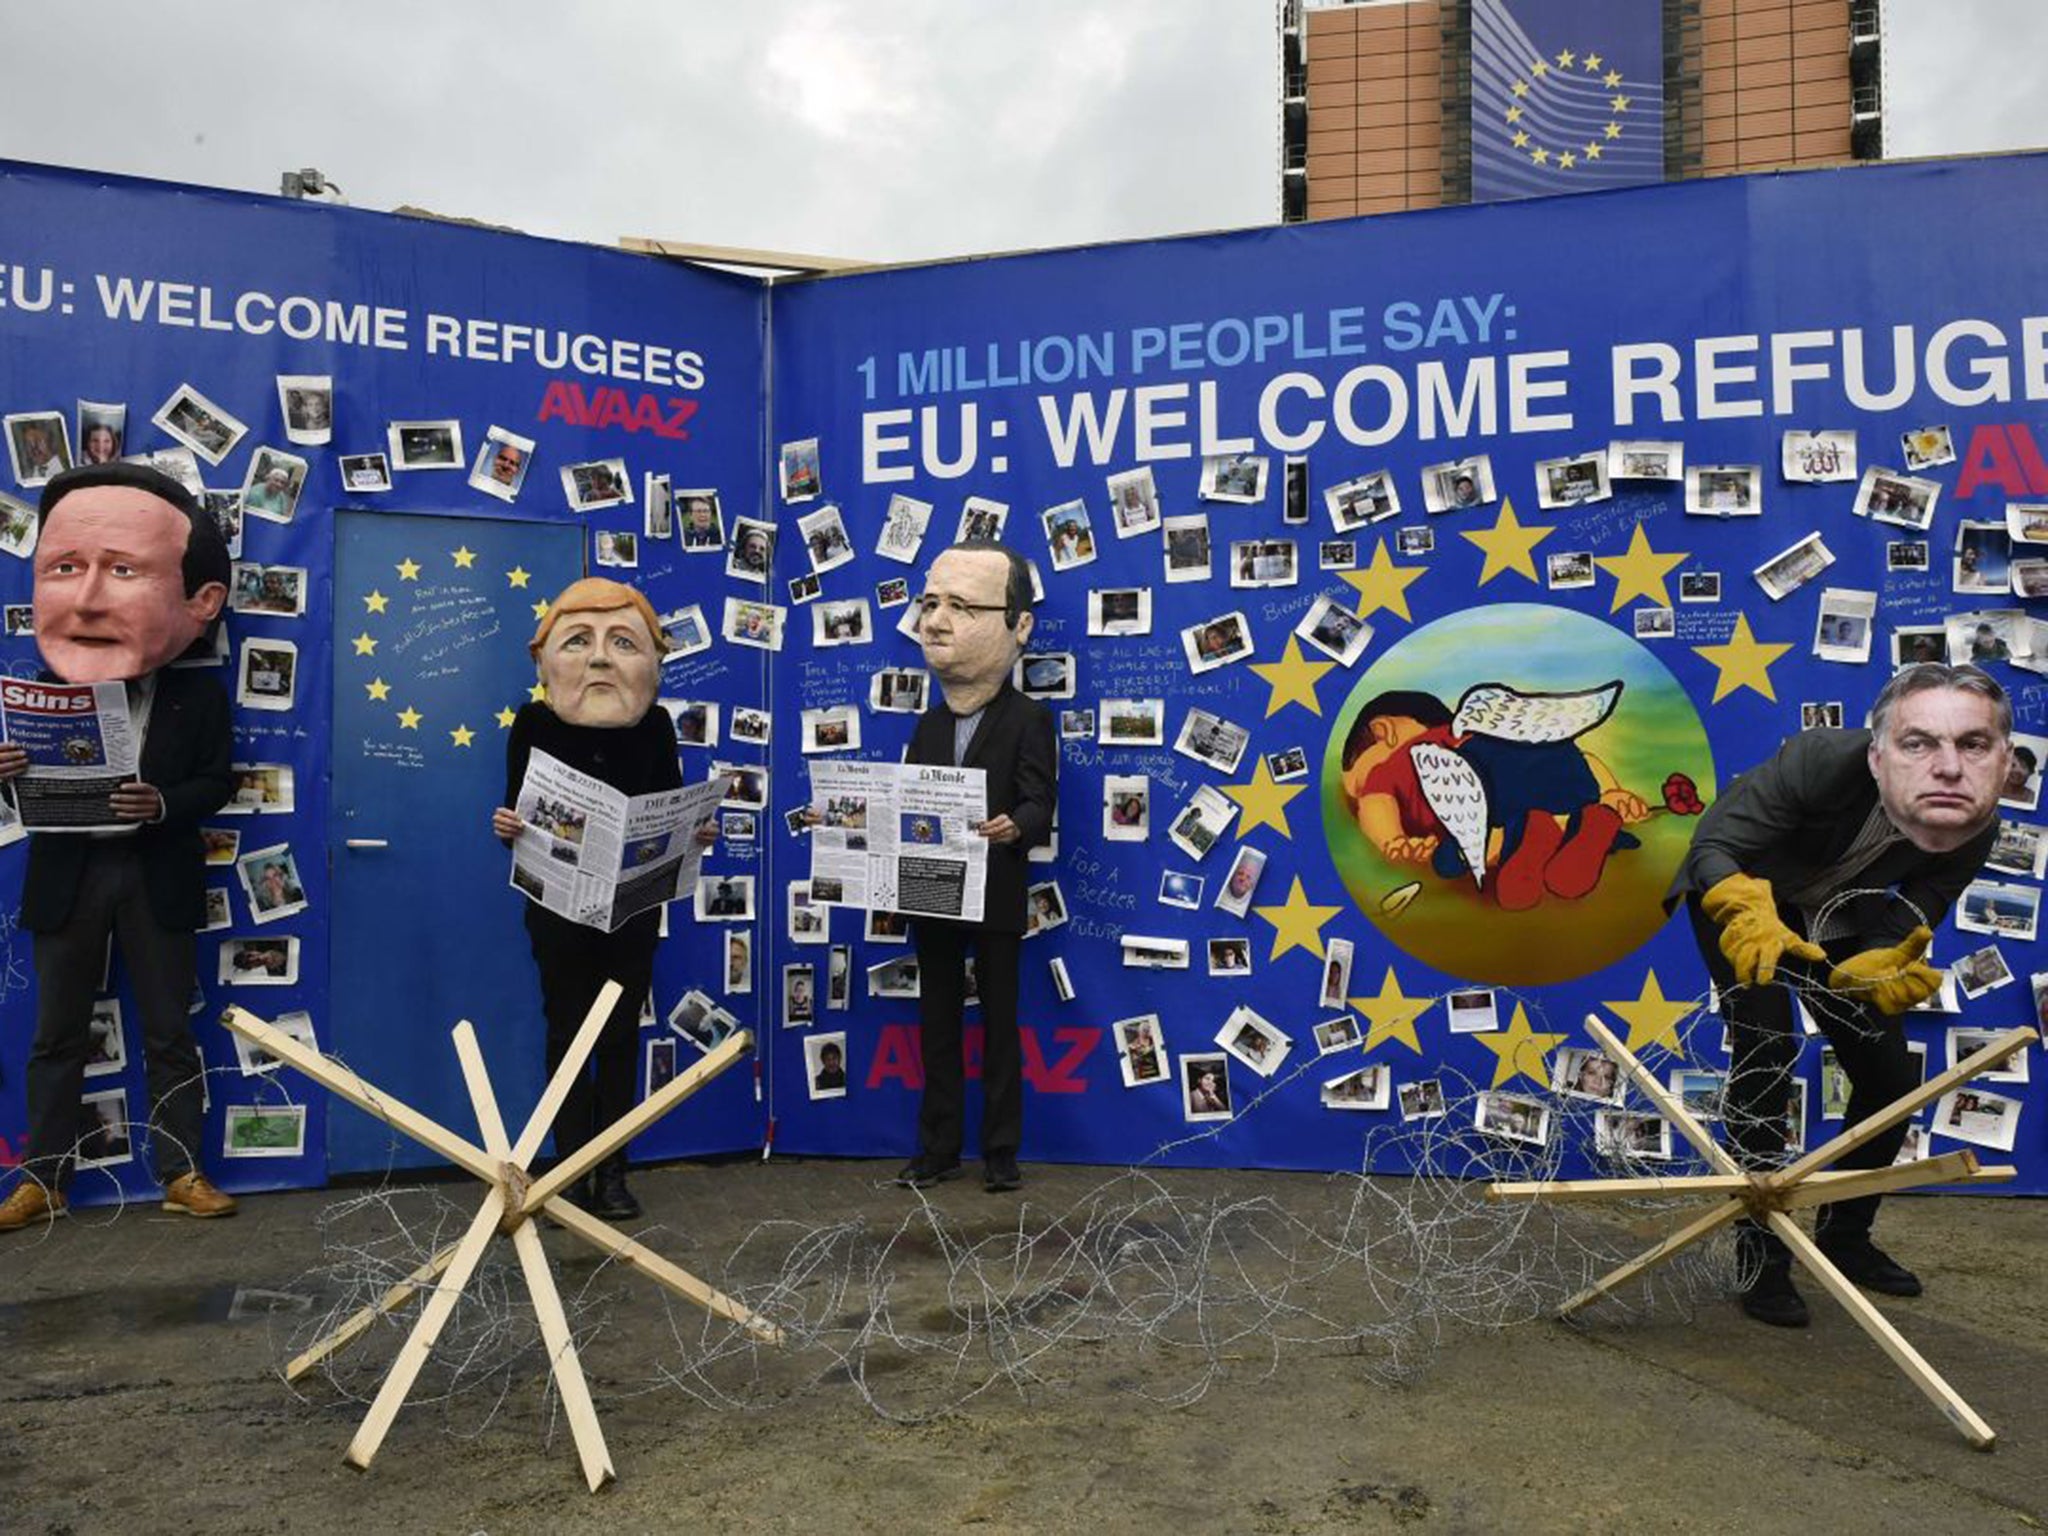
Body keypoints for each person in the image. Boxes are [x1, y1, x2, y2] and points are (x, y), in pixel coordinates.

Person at [1672, 662, 2013, 1327]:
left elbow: (1924, 900)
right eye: (1922, 746)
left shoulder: (1977, 821)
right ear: (1881, 754)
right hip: (1744, 896)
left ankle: (1846, 1237)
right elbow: (1716, 844)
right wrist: (1746, 912)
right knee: (1768, 1050)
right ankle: (1761, 1256)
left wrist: (1884, 957)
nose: (1947, 769)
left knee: (1889, 1071)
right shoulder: (1819, 762)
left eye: (1971, 747)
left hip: (1835, 917)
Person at [0, 463, 239, 1233]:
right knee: (57, 1036)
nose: (92, 597)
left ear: (197, 604)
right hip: (67, 876)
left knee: (170, 1031)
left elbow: (219, 782)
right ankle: (45, 1181)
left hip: (156, 872)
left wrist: (164, 802)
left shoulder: (198, 693)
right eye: (67, 568)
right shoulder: (44, 682)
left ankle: (181, 1172)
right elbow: (23, 794)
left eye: (125, 570)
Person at [491, 578, 712, 1222]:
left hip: (632, 908)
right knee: (566, 1032)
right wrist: (507, 826)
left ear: (655, 663)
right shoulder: (532, 724)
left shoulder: (658, 727)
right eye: (579, 642)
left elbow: (670, 800)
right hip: (557, 909)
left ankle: (613, 1170)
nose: (598, 660)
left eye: (622, 643)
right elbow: (519, 811)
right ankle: (569, 1165)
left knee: (620, 1035)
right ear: (544, 660)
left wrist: (690, 831)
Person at [893, 541, 1057, 1193]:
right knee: (935, 1024)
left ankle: (1000, 1152)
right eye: (929, 603)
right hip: (932, 893)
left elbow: (1041, 797)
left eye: (959, 606)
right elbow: (904, 807)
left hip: (995, 894)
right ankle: (936, 1149)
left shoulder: (1030, 718)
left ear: (1019, 628)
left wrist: (1017, 823)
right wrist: (848, 830)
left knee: (997, 1026)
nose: (934, 620)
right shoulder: (927, 724)